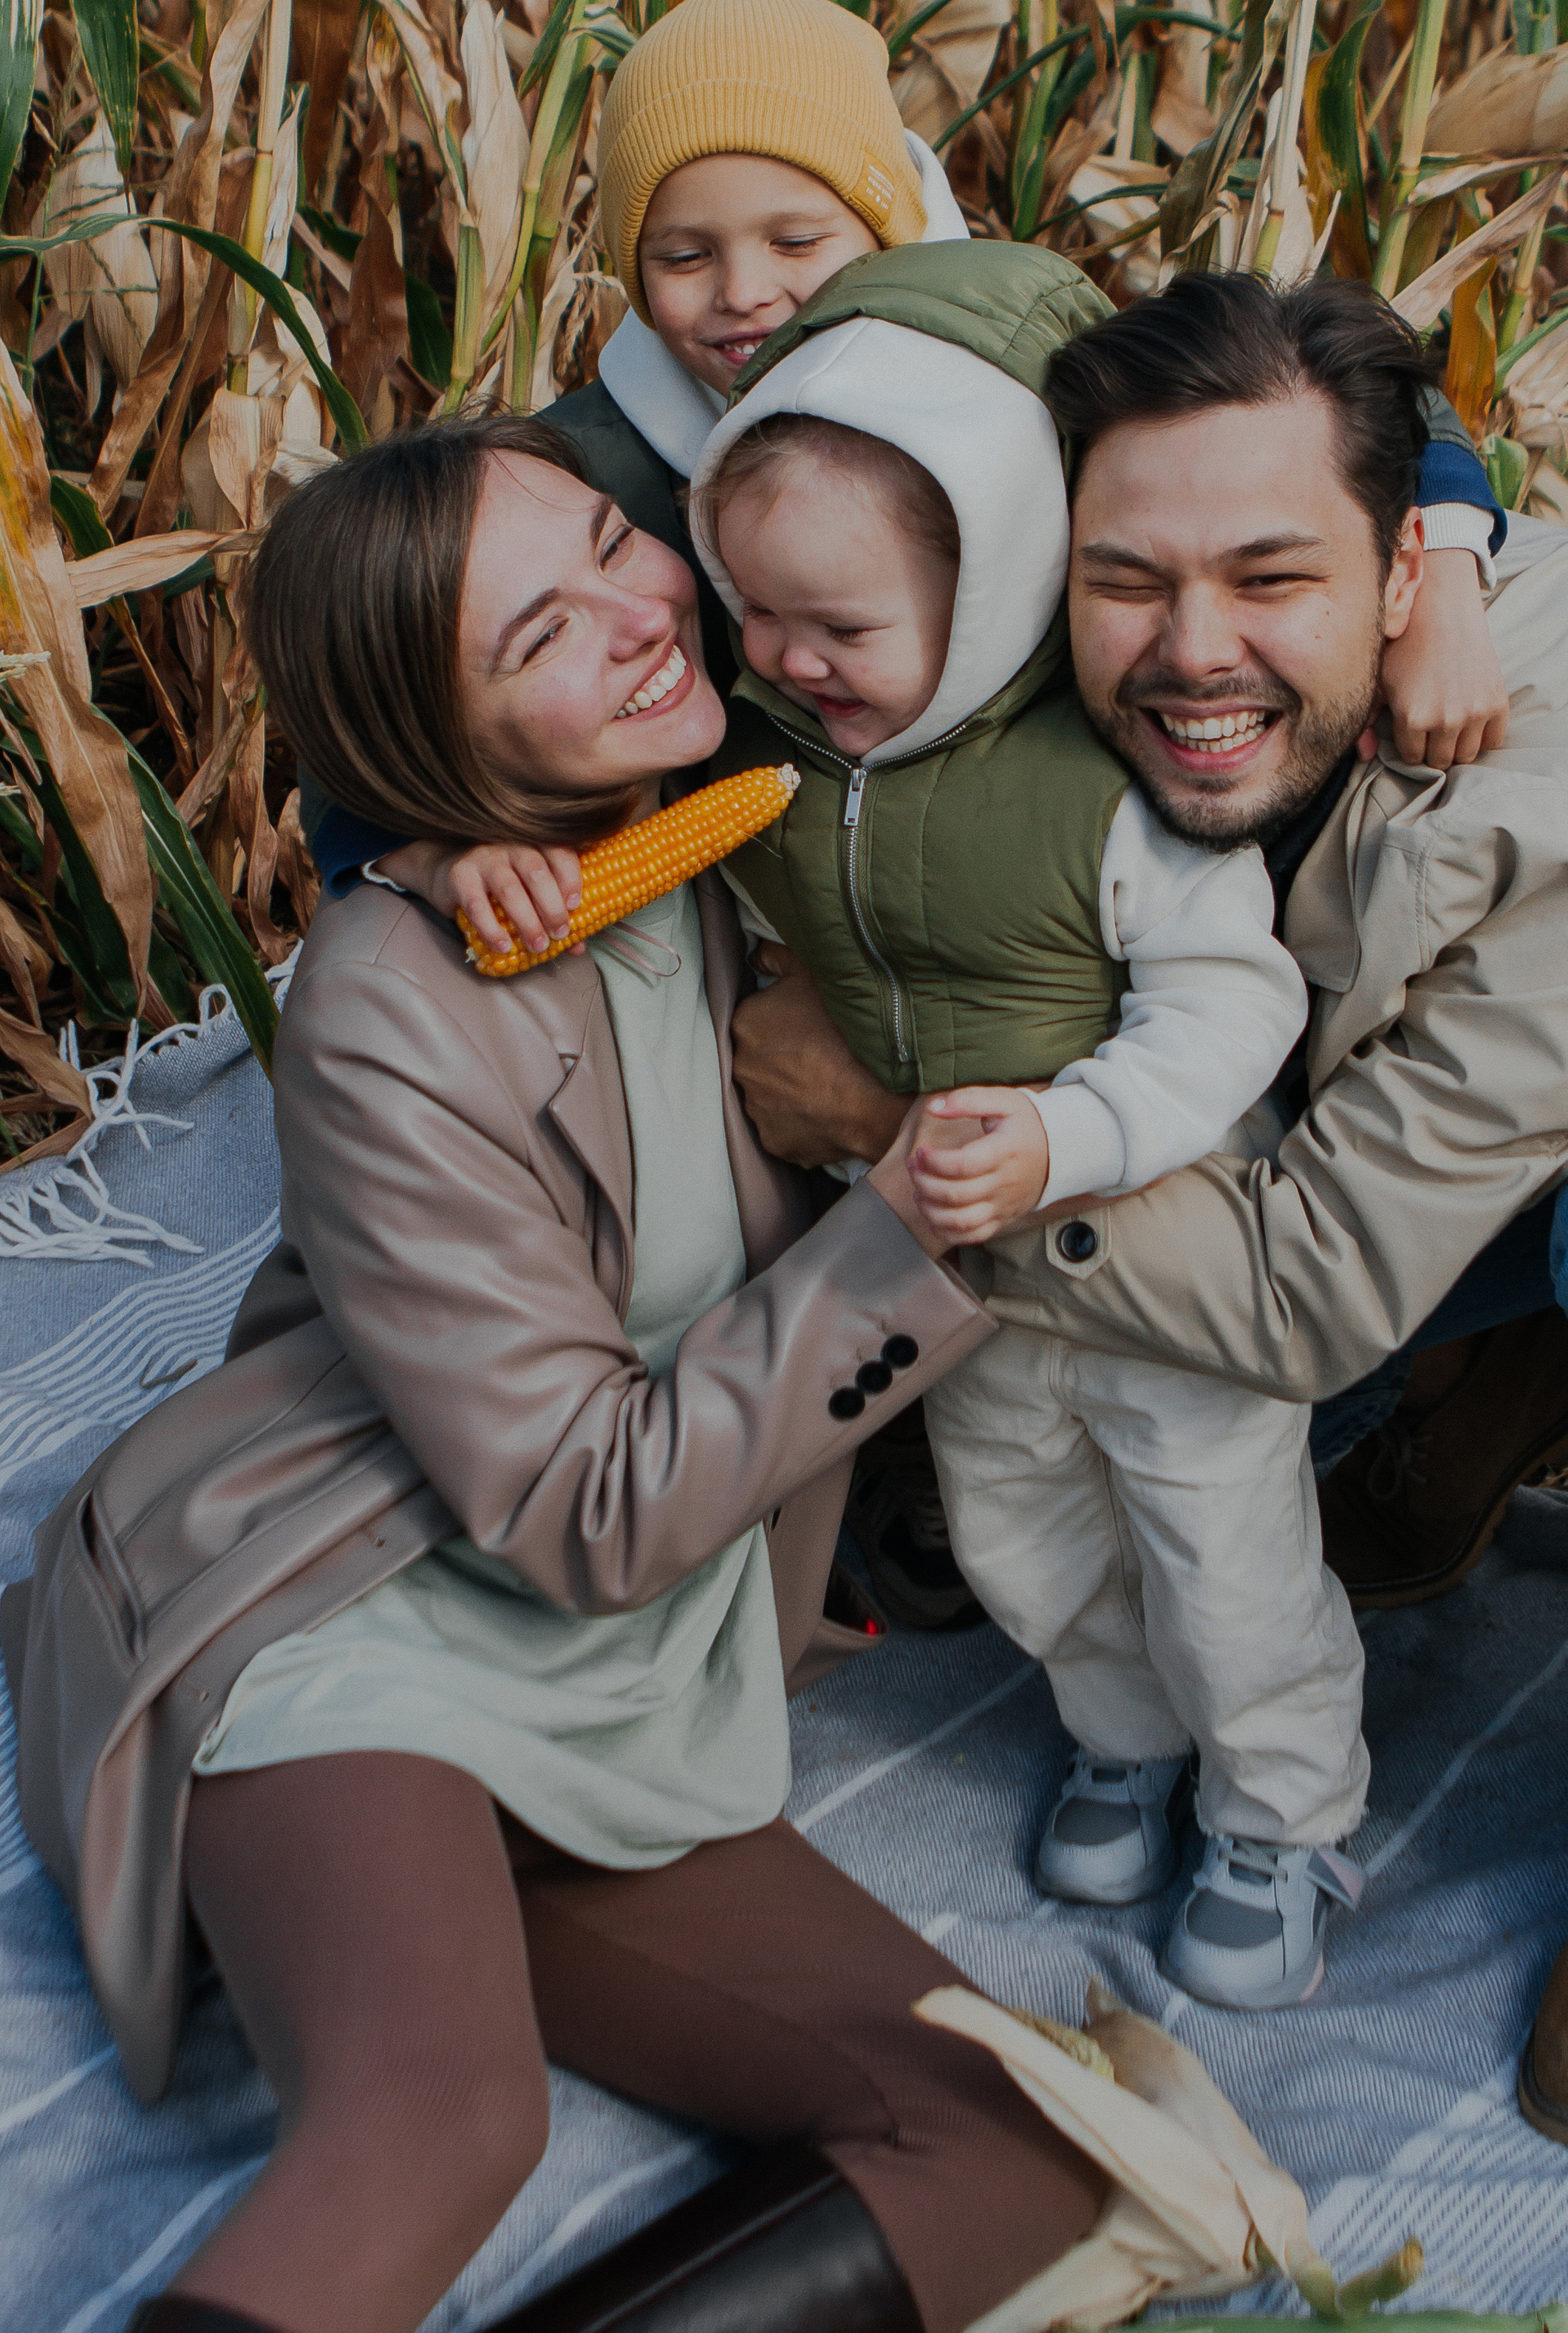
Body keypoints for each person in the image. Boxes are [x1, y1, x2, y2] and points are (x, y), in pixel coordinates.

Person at [734, 265, 1568, 2155]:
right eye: (1133, 583)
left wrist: (897, 1134)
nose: (1191, 648)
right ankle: (1496, 1379)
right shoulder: (1204, 585)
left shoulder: (1567, 820)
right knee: (1423, 1109)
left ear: (1401, 575)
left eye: (1273, 580)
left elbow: (1309, 1287)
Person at [0, 412, 1107, 2333]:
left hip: (634, 1670)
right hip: (360, 1612)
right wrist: (909, 1226)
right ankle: (80, 1632)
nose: (633, 612)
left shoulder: (758, 827)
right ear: (437, 754)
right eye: (538, 637)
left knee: (1023, 2135)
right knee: (440, 2116)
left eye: (615, 537)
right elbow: (581, 1510)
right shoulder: (390, 1001)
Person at [306, 0, 1513, 1644]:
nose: (740, 296)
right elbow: (384, 675)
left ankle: (1413, 1389)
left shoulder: (1015, 337)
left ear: (878, 206)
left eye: (794, 234)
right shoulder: (602, 455)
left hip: (1099, 848)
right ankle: (892, 1485)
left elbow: (1351, 399)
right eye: (681, 254)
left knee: (1204, 1194)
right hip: (836, 881)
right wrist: (427, 848)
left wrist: (1441, 566)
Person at [689, 239, 1385, 2012]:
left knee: (1219, 1547)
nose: (785, 658)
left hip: (1155, 1248)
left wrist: (1070, 1135)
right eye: (756, 614)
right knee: (1020, 1530)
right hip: (956, 1261)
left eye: (837, 631)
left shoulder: (1094, 784)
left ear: (993, 588)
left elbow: (1237, 1007)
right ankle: (1122, 1735)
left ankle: (1279, 1808)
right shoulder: (771, 765)